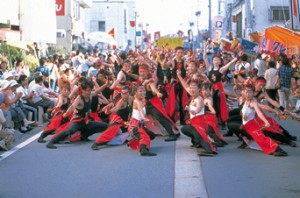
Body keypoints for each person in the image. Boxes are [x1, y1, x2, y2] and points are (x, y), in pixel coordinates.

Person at [46, 79, 108, 149]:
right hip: (77, 121)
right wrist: (66, 114)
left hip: (85, 121)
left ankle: (84, 135)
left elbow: (97, 91)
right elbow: (73, 106)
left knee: (104, 126)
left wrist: (106, 84)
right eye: (86, 90)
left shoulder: (90, 95)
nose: (88, 92)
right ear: (82, 90)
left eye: (89, 90)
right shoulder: (79, 98)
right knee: (70, 131)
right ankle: (51, 142)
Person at [240, 83, 288, 156]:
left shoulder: (253, 102)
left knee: (261, 139)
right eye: (246, 92)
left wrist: (266, 122)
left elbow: (259, 113)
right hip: (246, 125)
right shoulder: (245, 100)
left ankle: (278, 149)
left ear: (253, 93)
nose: (248, 94)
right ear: (243, 92)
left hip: (252, 125)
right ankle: (272, 149)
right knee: (259, 139)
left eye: (250, 92)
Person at [177, 70, 217, 156]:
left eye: (194, 87)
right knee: (184, 129)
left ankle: (209, 150)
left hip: (200, 124)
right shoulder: (193, 96)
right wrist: (179, 76)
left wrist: (189, 109)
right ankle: (197, 142)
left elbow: (197, 111)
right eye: (191, 87)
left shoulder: (199, 99)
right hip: (194, 123)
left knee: (200, 136)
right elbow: (185, 86)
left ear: (199, 89)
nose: (191, 89)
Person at [91, 85, 132, 150]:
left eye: (126, 93)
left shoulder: (131, 98)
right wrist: (109, 111)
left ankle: (121, 139)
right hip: (117, 121)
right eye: (122, 93)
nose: (124, 95)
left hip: (125, 122)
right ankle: (97, 143)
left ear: (129, 93)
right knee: (110, 133)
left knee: (132, 128)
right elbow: (116, 107)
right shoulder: (121, 101)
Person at [127, 85, 157, 156]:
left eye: (144, 90)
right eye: (140, 91)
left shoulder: (142, 100)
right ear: (135, 92)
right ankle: (143, 150)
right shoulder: (137, 101)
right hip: (134, 127)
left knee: (151, 135)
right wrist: (144, 117)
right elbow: (140, 111)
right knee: (145, 137)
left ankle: (133, 141)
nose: (143, 92)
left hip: (140, 126)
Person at [166, 46, 189, 125]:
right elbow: (164, 65)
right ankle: (172, 118)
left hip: (182, 84)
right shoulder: (172, 61)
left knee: (183, 102)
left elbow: (190, 68)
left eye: (181, 52)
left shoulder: (185, 62)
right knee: (172, 102)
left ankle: (183, 120)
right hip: (175, 84)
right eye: (178, 52)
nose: (180, 54)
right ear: (175, 53)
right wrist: (166, 57)